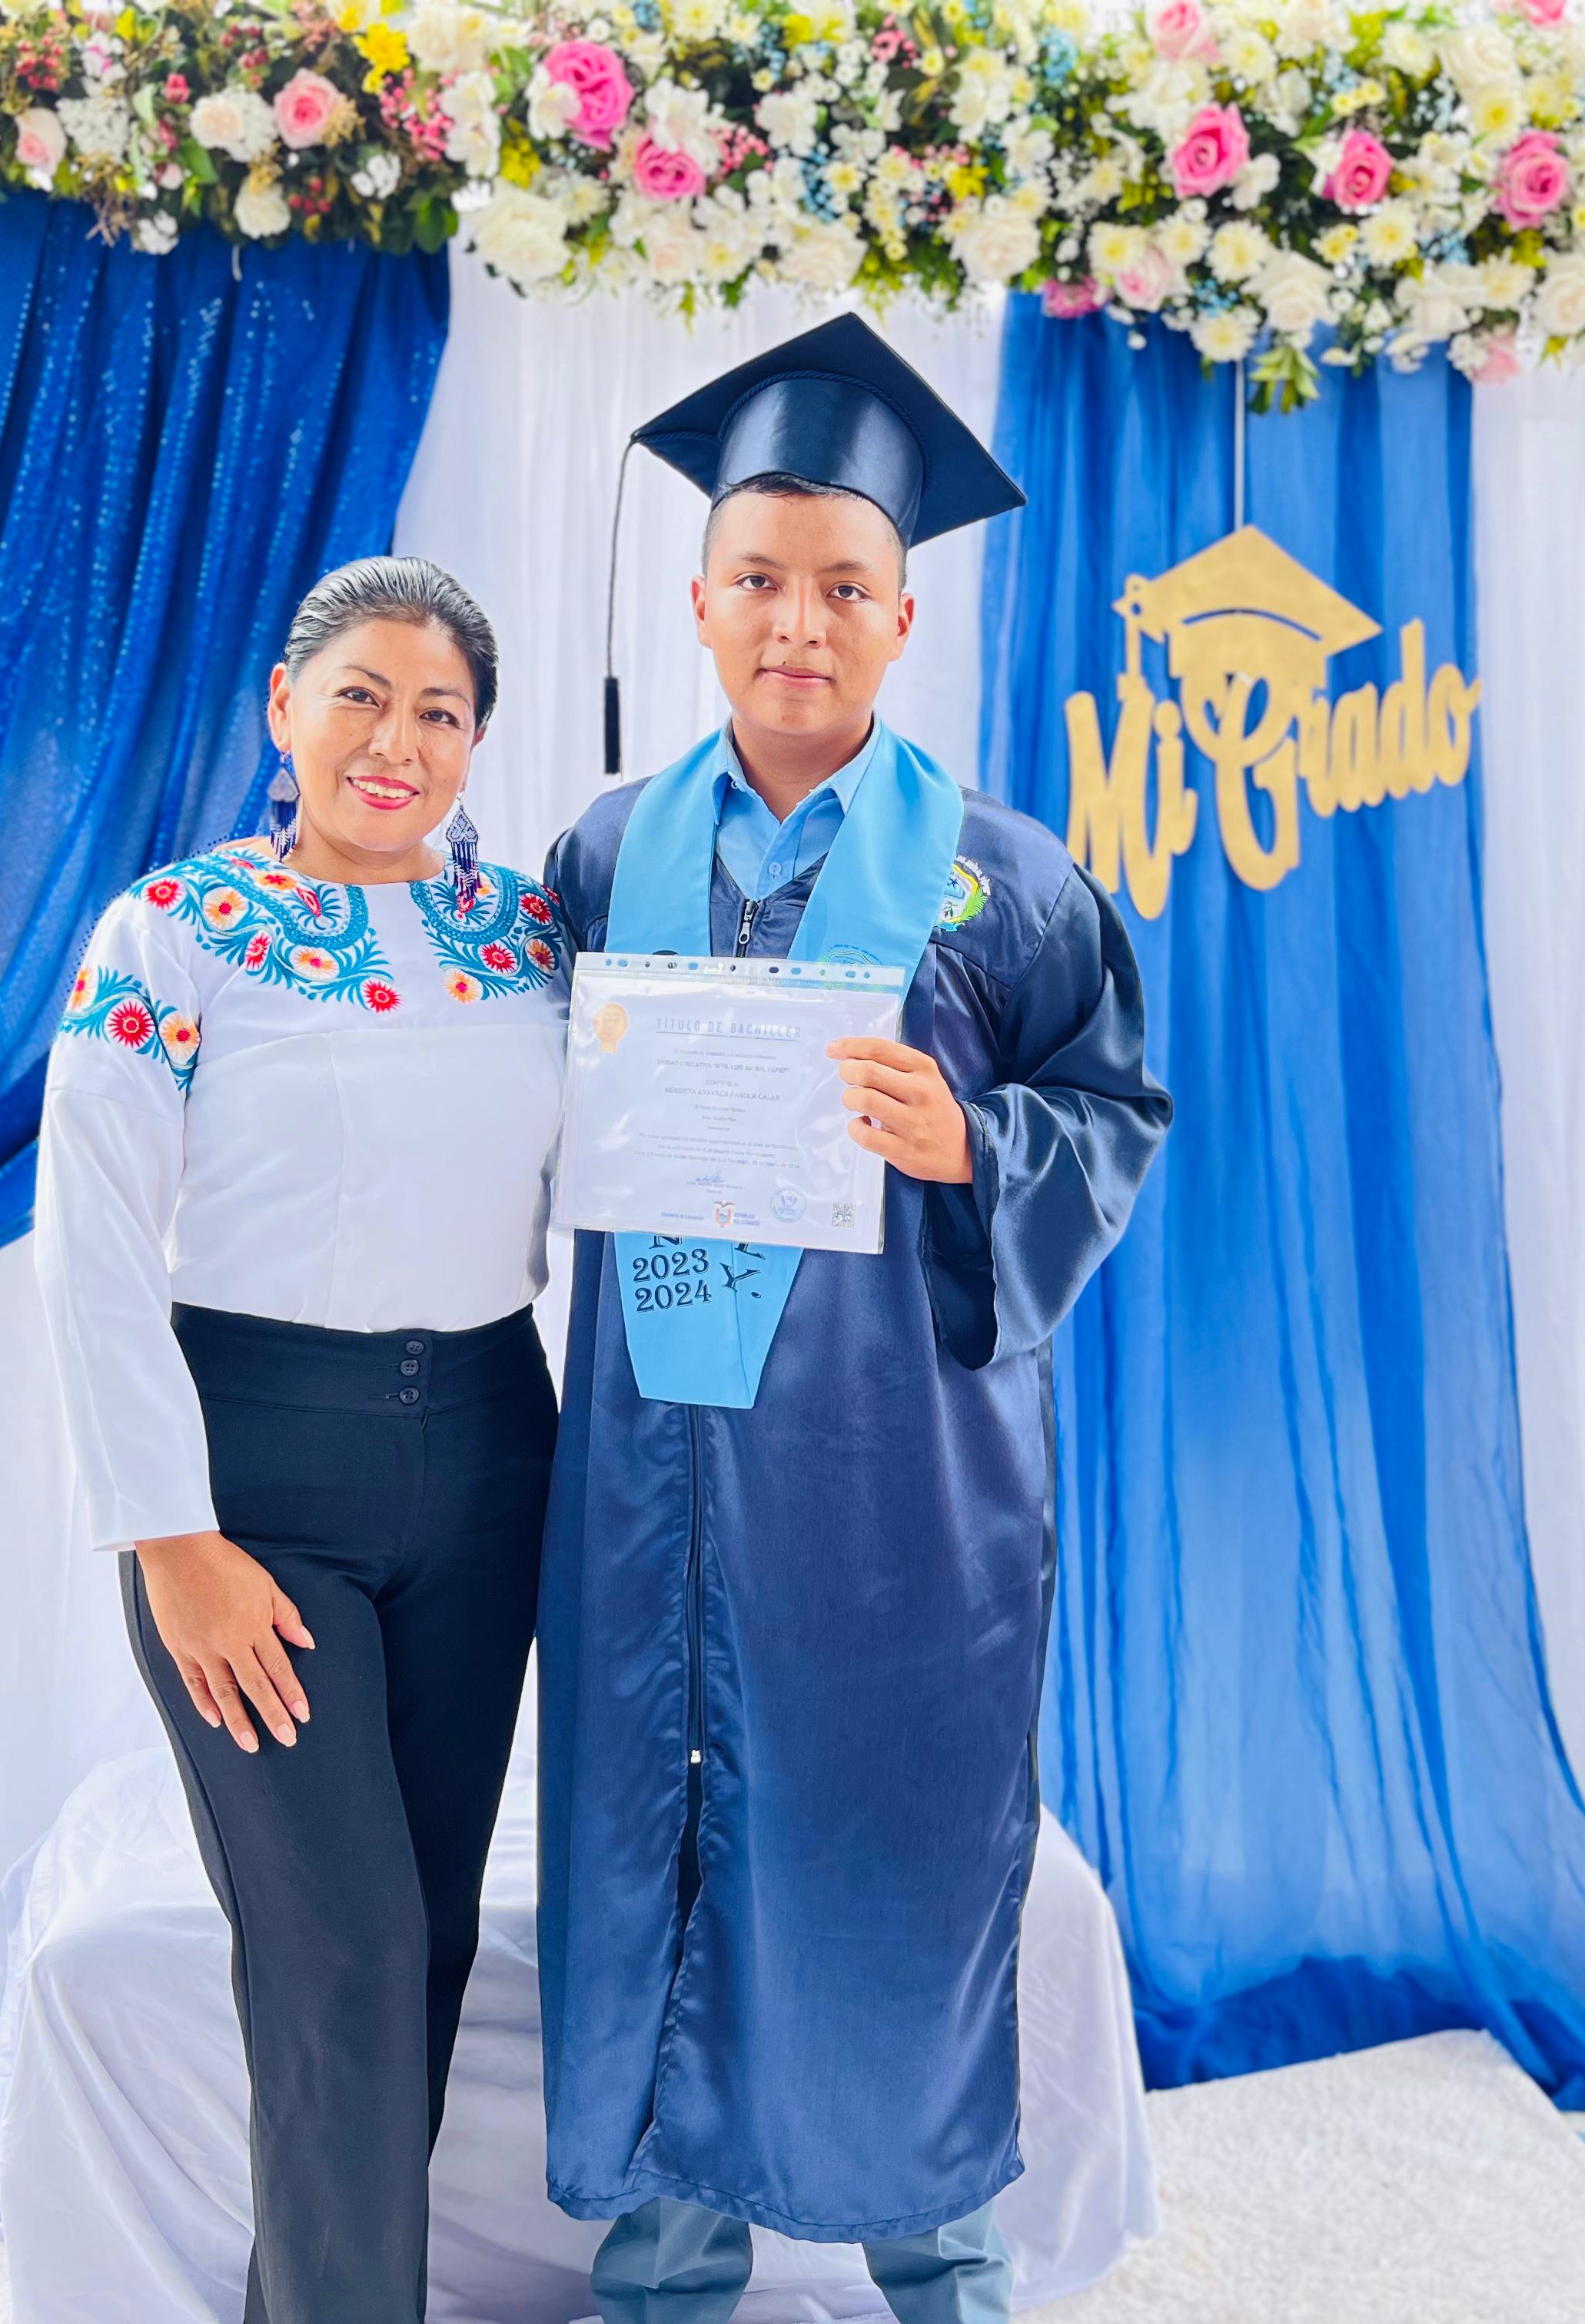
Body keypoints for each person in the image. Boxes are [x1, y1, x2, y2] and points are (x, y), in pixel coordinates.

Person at [538, 316, 1174, 2324]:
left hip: (902, 1489)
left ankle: (943, 2267)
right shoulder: (598, 856)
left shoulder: (1006, 883)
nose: (796, 622)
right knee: (655, 1854)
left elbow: (1117, 1118)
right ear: (699, 603)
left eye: (841, 587)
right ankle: (665, 2276)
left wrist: (974, 1140)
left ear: (906, 617)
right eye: (758, 580)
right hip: (653, 1474)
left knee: (901, 1866)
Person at [34, 556, 568, 2322]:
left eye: (440, 712)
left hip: (493, 1456)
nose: (396, 742)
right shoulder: (171, 932)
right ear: (285, 707)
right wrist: (169, 1541)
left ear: (477, 742)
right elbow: (92, 1243)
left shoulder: (537, 941)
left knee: (425, 1943)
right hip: (254, 1482)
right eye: (361, 696)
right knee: (339, 1947)